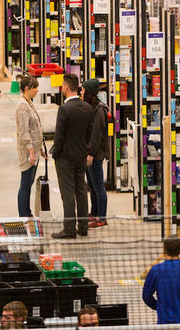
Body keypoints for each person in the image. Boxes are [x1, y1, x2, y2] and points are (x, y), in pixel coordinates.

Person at [50, 73, 94, 239]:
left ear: (66, 87)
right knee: (81, 190)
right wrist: (86, 149)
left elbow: (59, 135)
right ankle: (83, 226)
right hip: (81, 156)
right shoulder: (88, 108)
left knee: (67, 193)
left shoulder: (64, 109)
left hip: (66, 158)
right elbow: (89, 133)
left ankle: (69, 228)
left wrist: (55, 153)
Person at [82, 79, 110, 227]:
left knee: (99, 186)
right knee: (92, 185)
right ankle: (94, 212)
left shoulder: (99, 110)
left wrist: (91, 153)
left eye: (83, 90)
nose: (81, 92)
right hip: (90, 153)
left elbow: (97, 134)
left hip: (95, 155)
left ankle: (102, 217)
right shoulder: (92, 107)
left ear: (89, 93)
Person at [15, 75, 43, 218]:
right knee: (25, 184)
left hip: (35, 151)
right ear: (27, 89)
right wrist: (31, 151)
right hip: (27, 152)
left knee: (29, 183)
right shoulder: (22, 106)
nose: (37, 90)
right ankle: (23, 214)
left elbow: (35, 127)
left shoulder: (29, 103)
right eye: (35, 88)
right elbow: (24, 131)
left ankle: (27, 212)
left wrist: (40, 149)